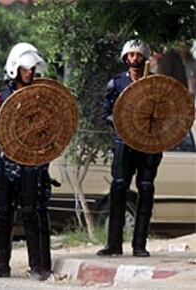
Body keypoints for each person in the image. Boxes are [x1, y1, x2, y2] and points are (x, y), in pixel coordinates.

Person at [0, 43, 52, 280]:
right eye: (25, 69)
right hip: (4, 162)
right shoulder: (0, 96)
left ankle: (37, 265)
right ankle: (2, 264)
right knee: (3, 213)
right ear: (14, 69)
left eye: (31, 69)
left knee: (30, 212)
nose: (29, 73)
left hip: (29, 162)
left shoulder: (39, 95)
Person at [97, 40, 163, 257]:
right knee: (118, 188)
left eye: (138, 55)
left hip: (149, 145)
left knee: (145, 188)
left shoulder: (155, 84)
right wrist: (121, 122)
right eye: (131, 55)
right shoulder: (115, 84)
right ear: (126, 58)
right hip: (124, 144)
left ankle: (139, 245)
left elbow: (166, 112)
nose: (134, 59)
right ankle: (114, 244)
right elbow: (106, 113)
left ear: (144, 58)